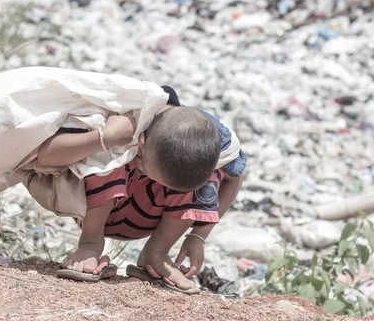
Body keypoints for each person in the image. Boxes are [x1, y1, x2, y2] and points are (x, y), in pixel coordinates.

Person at [37, 85, 247, 292]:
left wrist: (199, 235)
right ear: (142, 143)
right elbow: (45, 156)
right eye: (145, 167)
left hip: (153, 220)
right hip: (95, 208)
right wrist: (104, 138)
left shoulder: (212, 138)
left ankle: (157, 252)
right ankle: (90, 244)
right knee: (112, 152)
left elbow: (236, 176)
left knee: (204, 168)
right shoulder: (122, 116)